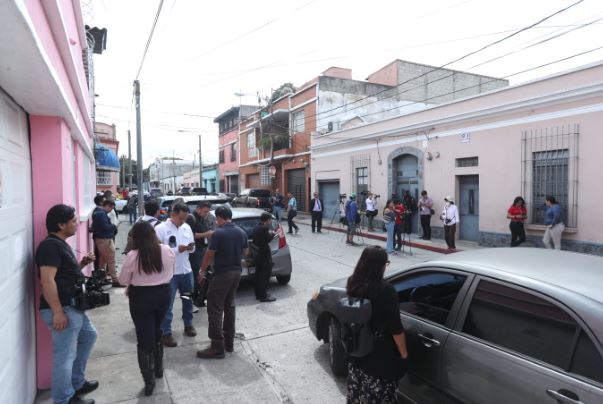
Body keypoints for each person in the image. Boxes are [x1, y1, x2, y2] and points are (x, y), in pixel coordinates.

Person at [37, 204, 98, 404]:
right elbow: (47, 280)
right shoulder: (49, 246)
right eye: (73, 221)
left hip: (73, 306)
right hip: (62, 308)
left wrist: (82, 265)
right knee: (64, 357)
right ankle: (63, 399)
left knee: (89, 335)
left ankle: (76, 382)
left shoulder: (60, 243)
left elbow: (64, 276)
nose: (76, 224)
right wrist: (57, 312)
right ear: (61, 225)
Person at [118, 221, 175, 396]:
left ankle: (149, 381)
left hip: (141, 298)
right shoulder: (166, 250)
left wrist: (136, 281)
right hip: (163, 295)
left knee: (144, 339)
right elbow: (171, 273)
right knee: (157, 329)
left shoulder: (133, 256)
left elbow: (122, 280)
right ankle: (158, 368)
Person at [346, 246, 408, 403]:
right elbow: (396, 329)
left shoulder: (353, 283)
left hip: (357, 353)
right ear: (380, 266)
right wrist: (404, 355)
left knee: (357, 395)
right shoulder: (387, 291)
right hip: (379, 359)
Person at [197, 206, 248, 358]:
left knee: (214, 308)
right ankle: (229, 342)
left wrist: (202, 271)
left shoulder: (218, 233)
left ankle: (217, 346)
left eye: (216, 219)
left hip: (222, 274)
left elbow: (209, 254)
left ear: (220, 218)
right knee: (229, 305)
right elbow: (246, 253)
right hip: (236, 272)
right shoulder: (241, 232)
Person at [155, 203, 197, 347]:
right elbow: (157, 252)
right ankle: (166, 332)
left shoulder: (187, 227)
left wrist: (190, 248)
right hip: (170, 273)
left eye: (185, 218)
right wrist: (177, 250)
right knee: (168, 304)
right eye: (180, 218)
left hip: (186, 270)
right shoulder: (160, 229)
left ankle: (188, 324)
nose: (183, 221)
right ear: (172, 214)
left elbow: (193, 246)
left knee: (187, 299)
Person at [186, 201, 214, 306]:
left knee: (204, 274)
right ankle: (194, 299)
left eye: (207, 212)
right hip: (195, 250)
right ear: (198, 209)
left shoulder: (202, 218)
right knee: (197, 274)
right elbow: (191, 235)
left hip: (203, 248)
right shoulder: (191, 218)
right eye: (205, 211)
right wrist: (206, 234)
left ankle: (200, 298)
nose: (206, 213)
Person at [92, 196, 120, 286]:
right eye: (111, 208)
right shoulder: (101, 213)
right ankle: (115, 280)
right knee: (111, 260)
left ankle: (102, 278)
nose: (111, 210)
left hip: (101, 238)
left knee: (103, 260)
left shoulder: (98, 211)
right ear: (107, 206)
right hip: (104, 239)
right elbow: (104, 226)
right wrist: (114, 226)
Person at [252, 212, 277, 303]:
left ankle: (259, 293)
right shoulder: (264, 228)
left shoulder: (257, 227)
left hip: (258, 254)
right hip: (263, 255)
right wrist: (273, 234)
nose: (270, 222)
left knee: (258, 275)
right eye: (270, 220)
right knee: (264, 276)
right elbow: (267, 240)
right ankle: (263, 296)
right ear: (267, 220)